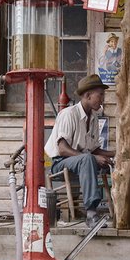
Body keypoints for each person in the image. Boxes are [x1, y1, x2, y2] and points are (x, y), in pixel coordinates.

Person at [44, 74, 115, 225]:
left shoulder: (94, 117)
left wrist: (118, 154)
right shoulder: (69, 114)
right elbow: (62, 149)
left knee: (126, 159)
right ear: (88, 96)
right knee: (87, 158)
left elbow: (93, 149)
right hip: (59, 163)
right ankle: (91, 213)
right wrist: (93, 158)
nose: (102, 99)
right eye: (100, 95)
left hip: (82, 161)